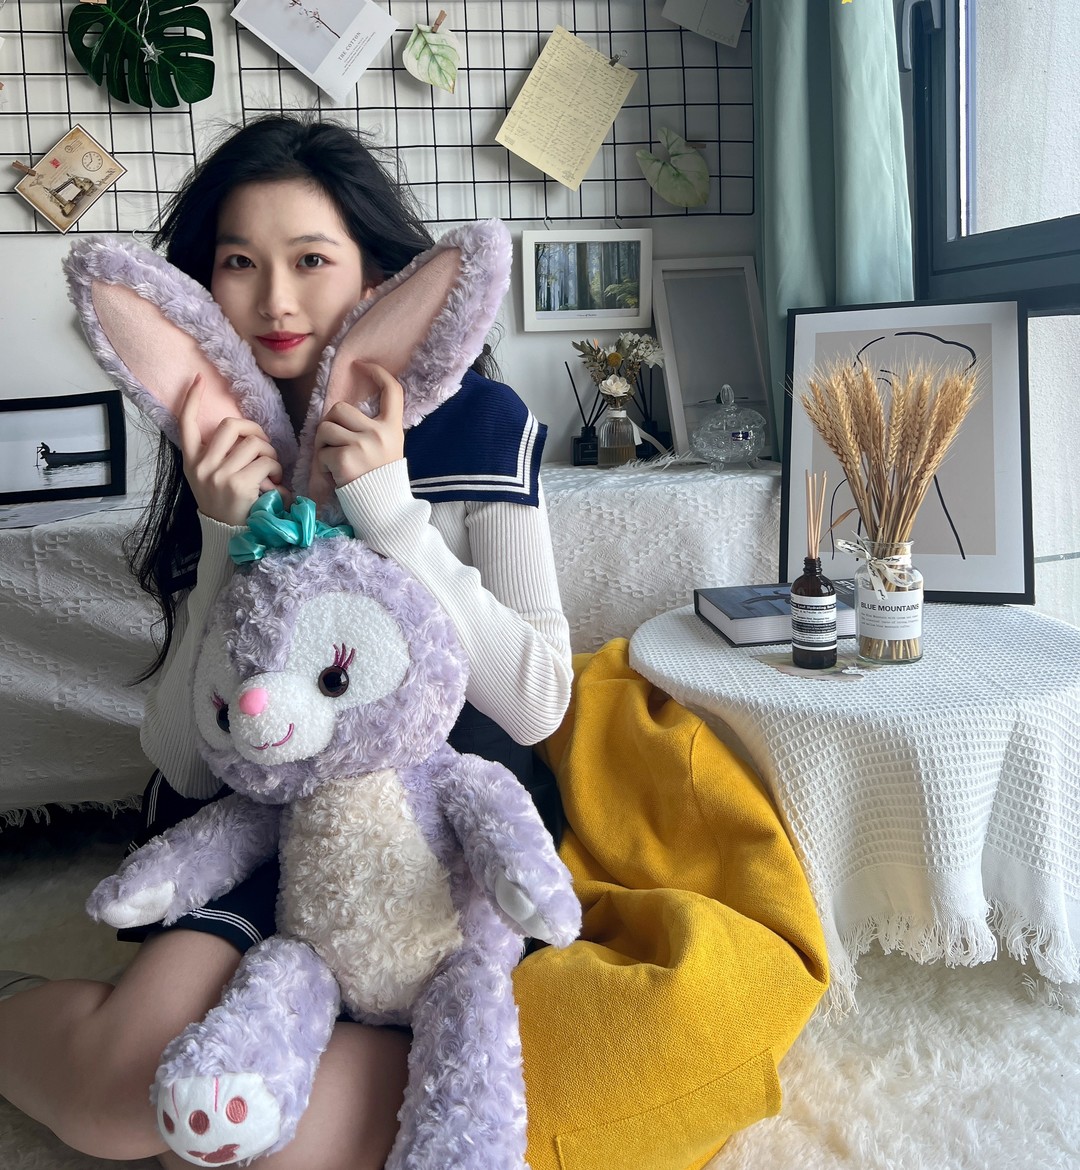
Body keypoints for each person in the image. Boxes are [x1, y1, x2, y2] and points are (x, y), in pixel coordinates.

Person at [0, 114, 572, 1170]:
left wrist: (391, 513)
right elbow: (183, 760)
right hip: (264, 829)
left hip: (441, 842)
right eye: (238, 264)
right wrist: (225, 536)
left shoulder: (478, 421)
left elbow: (537, 702)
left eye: (311, 260)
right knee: (120, 1100)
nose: (275, 301)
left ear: (378, 280)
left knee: (257, 1144)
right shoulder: (216, 434)